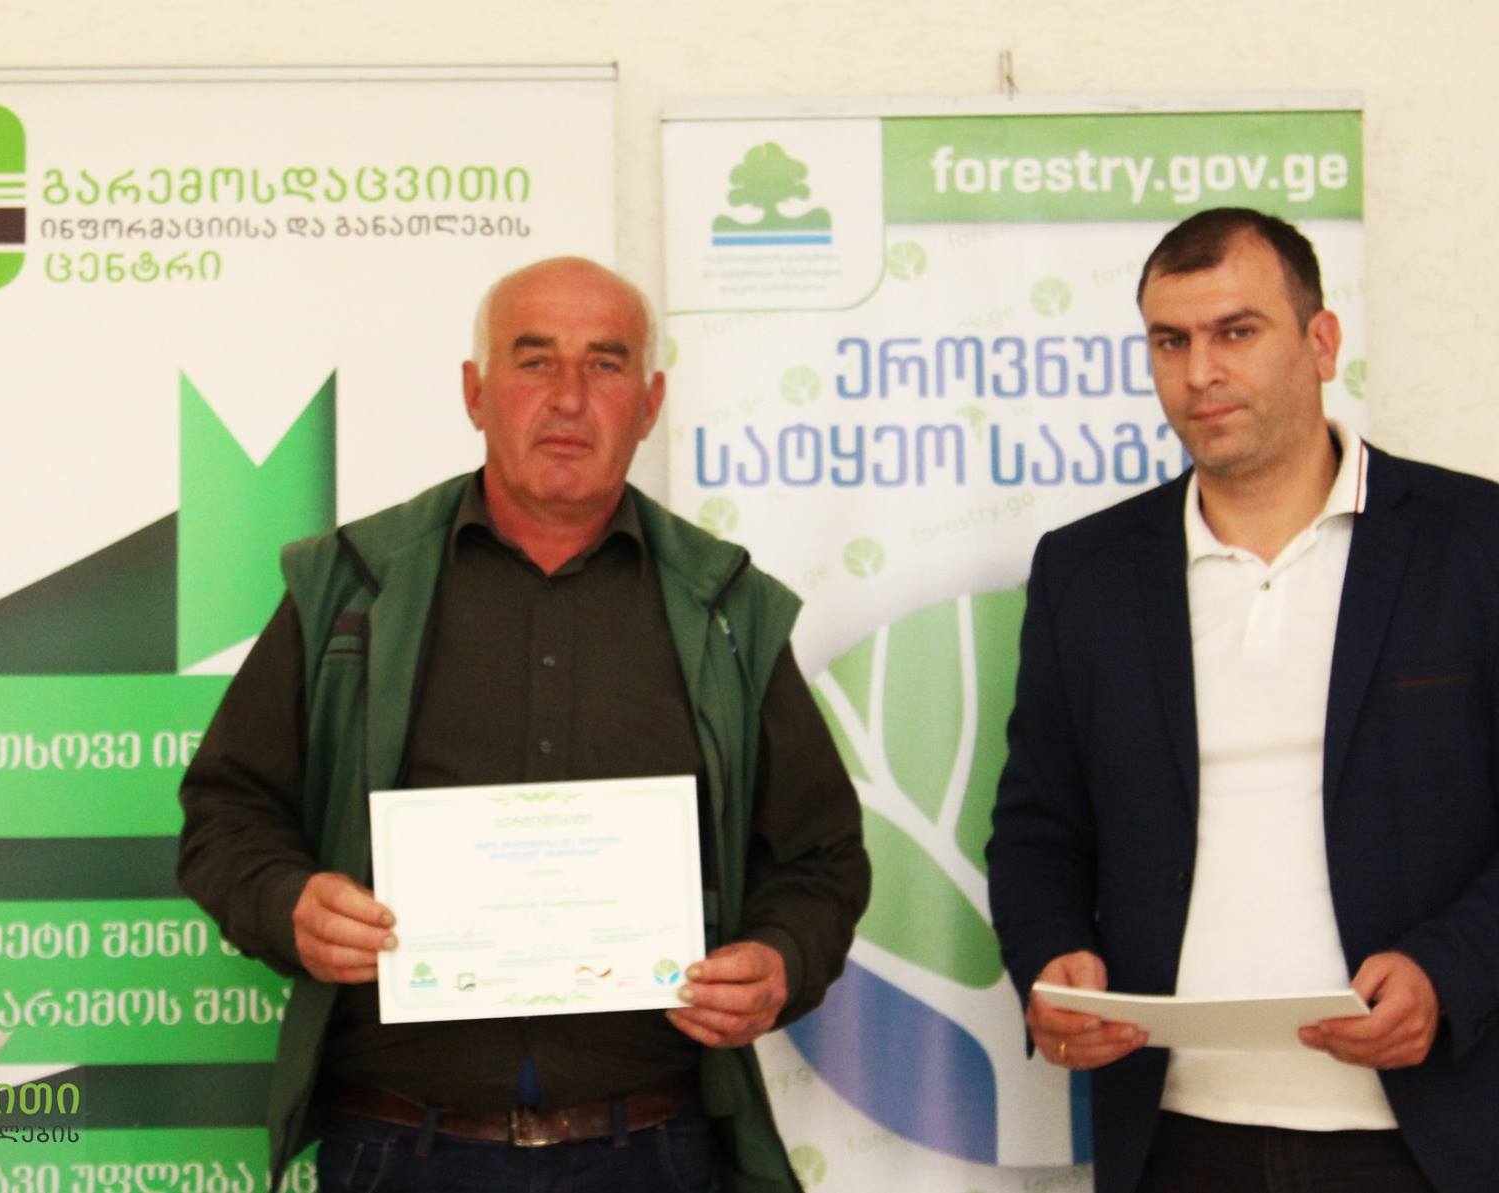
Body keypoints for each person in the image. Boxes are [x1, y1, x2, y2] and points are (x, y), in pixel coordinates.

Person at [176, 257, 870, 1192]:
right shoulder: (353, 586)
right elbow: (226, 813)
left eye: (606, 364)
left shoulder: (726, 607)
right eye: (535, 361)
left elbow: (821, 858)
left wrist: (779, 959)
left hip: (653, 1153)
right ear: (475, 392)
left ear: (650, 403)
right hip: (399, 1152)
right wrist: (287, 903)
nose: (570, 398)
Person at [987, 208, 1499, 1193]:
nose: (1199, 372)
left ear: (1320, 342)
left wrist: (1450, 969)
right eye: (1169, 341)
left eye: (1236, 331)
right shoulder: (1084, 572)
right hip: (1176, 1133)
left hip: (1431, 1131)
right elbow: (1037, 827)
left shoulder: (1473, 542)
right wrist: (1051, 958)